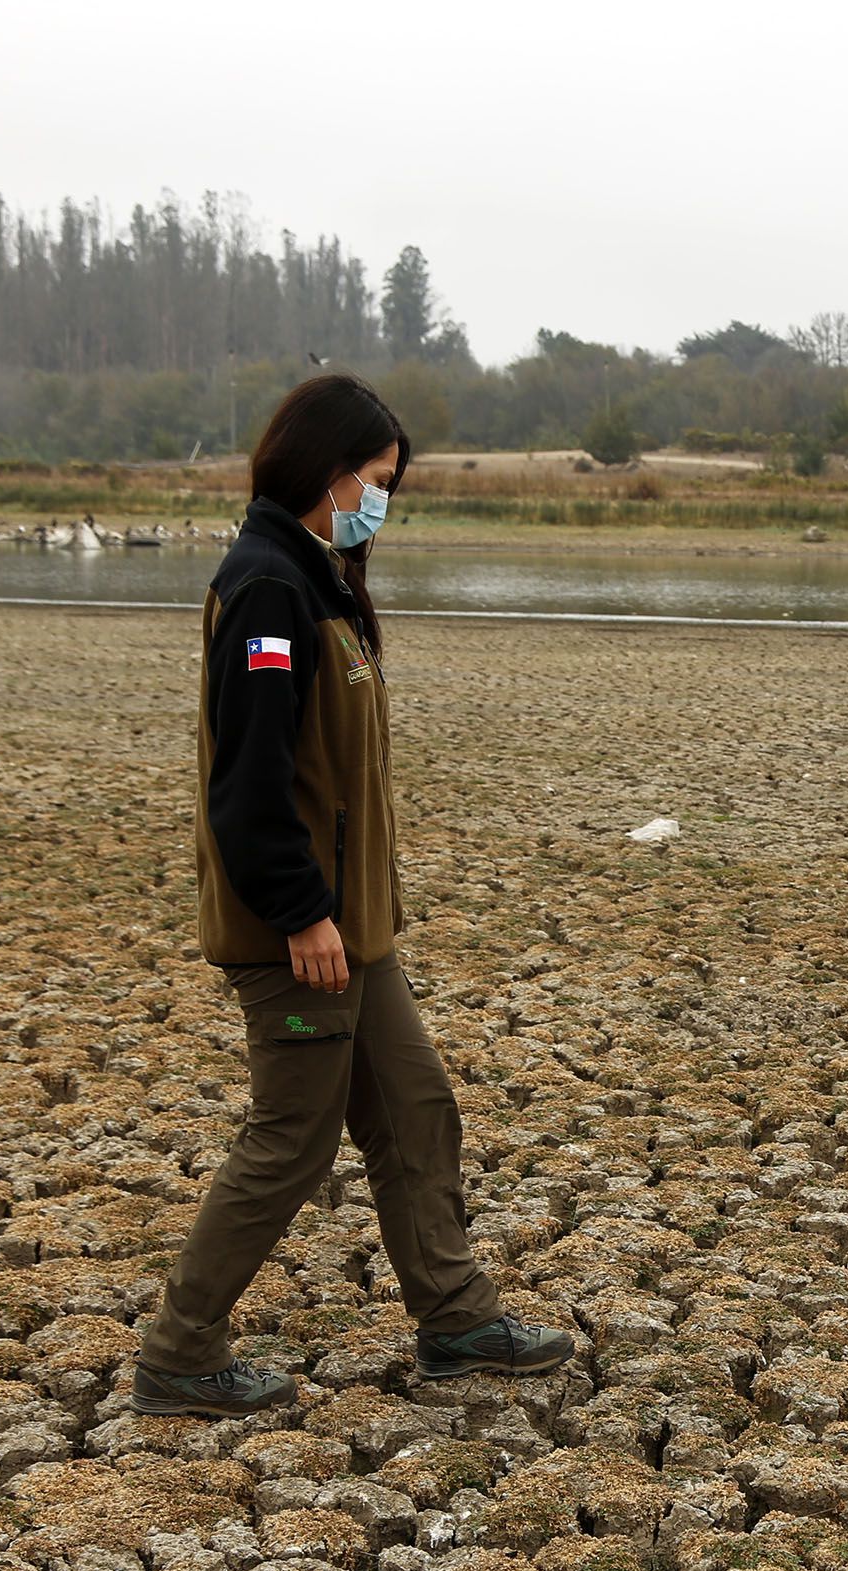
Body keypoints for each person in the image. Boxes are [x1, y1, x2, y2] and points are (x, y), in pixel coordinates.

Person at [133, 373, 570, 1418]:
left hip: (352, 934)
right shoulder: (269, 591)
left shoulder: (317, 576)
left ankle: (457, 1318)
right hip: (303, 934)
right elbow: (248, 788)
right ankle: (181, 1350)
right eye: (376, 481)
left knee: (415, 1109)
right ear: (329, 474)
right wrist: (302, 912)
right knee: (292, 1138)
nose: (383, 500)